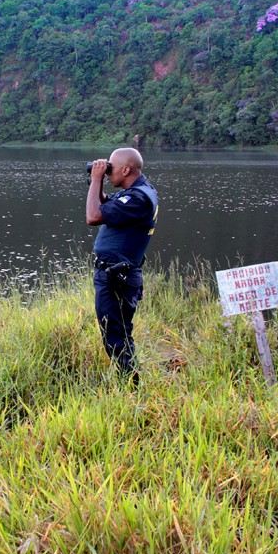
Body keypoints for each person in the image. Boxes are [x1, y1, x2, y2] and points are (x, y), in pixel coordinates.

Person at [86, 147, 158, 382]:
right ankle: (131, 381)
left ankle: (132, 386)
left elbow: (93, 217)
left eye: (111, 168)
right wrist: (99, 184)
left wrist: (96, 179)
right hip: (118, 275)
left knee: (115, 334)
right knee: (119, 332)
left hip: (118, 277)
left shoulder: (138, 198)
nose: (107, 172)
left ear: (126, 169)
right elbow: (108, 205)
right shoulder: (138, 192)